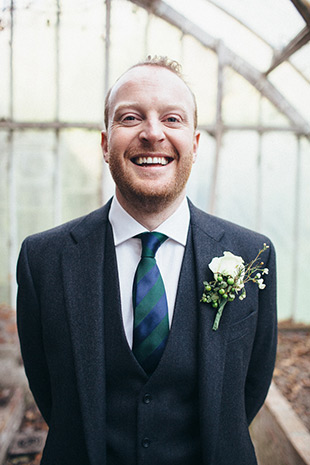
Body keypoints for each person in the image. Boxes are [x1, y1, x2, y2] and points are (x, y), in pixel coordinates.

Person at [16, 56, 277, 465]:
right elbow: (51, 394)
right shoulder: (43, 260)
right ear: (105, 144)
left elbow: (249, 389)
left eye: (172, 119)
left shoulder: (251, 255)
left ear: (194, 143)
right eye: (130, 118)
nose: (152, 134)